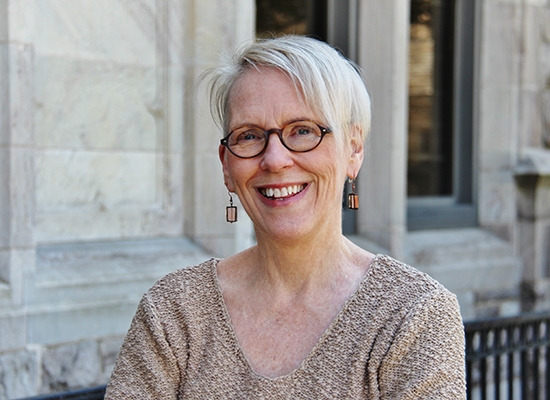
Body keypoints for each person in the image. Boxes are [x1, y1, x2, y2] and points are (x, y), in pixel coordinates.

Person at [105, 35, 466, 399]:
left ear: (353, 150)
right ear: (226, 166)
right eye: (249, 136)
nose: (275, 159)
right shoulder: (175, 312)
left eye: (303, 131)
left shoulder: (414, 316)